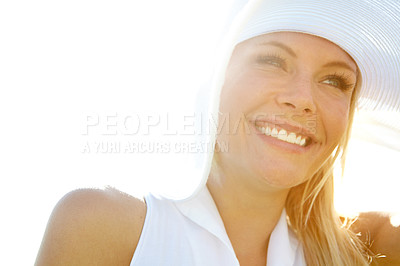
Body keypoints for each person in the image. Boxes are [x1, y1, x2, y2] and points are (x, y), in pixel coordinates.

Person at [35, 0, 400, 265]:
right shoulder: (102, 228)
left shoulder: (362, 254)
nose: (303, 100)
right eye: (272, 60)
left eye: (334, 80)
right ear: (215, 80)